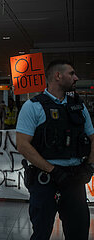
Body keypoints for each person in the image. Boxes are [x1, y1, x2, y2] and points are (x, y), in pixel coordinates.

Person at [16, 60, 94, 240]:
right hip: (45, 181)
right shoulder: (33, 106)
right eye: (72, 73)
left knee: (78, 232)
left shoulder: (78, 106)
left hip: (74, 180)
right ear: (58, 76)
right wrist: (53, 171)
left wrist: (89, 166)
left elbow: (92, 137)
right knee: (41, 232)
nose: (76, 78)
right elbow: (22, 145)